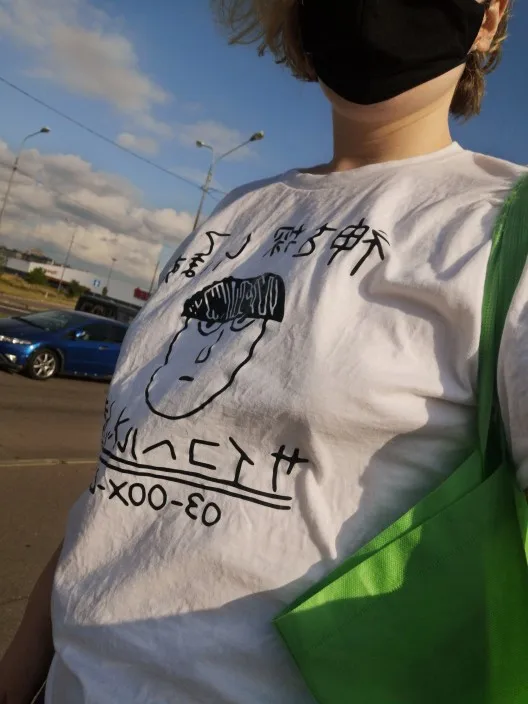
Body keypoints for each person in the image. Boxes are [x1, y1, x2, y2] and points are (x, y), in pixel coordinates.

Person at [1, 0, 525, 702]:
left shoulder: (504, 231)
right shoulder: (235, 213)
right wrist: (18, 670)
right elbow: (118, 485)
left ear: (488, 18)